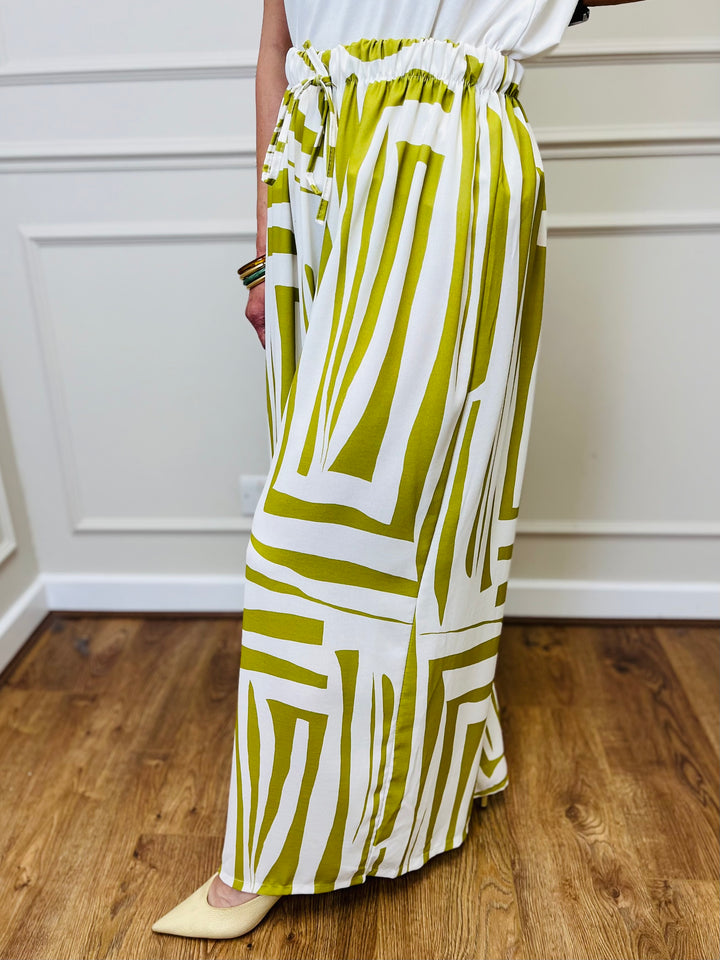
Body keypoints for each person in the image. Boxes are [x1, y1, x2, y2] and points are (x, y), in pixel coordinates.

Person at [152, 0, 644, 940]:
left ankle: (268, 848)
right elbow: (274, 46)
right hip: (319, 174)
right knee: (411, 511)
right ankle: (447, 766)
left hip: (446, 154)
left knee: (349, 520)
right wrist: (267, 239)